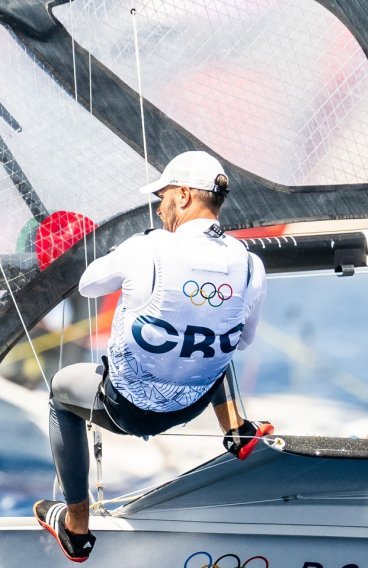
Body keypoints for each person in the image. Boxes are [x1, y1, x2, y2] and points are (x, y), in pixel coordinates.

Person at [33, 151, 269, 562]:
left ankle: (75, 527)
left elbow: (88, 285)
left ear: (183, 195)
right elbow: (244, 341)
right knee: (215, 330)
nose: (159, 209)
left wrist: (122, 255)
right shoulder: (250, 264)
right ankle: (237, 429)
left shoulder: (149, 247)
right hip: (191, 405)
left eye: (162, 197)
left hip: (128, 409)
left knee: (59, 394)